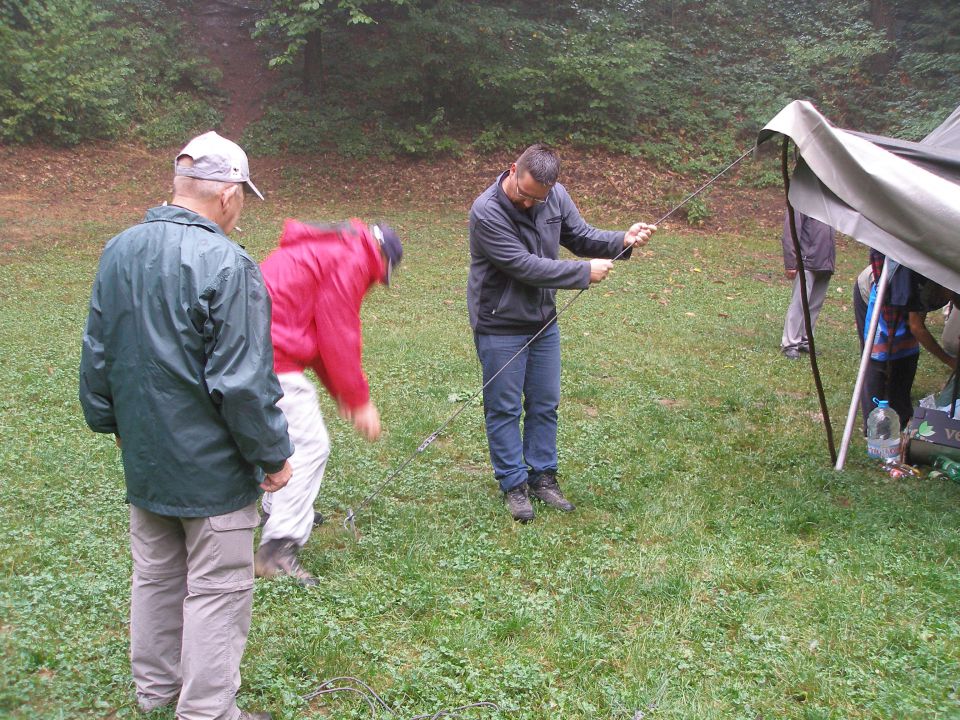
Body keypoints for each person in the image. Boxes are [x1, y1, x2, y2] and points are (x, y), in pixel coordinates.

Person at [79, 131, 293, 720]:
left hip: (146, 454)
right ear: (228, 195)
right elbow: (243, 381)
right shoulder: (230, 263)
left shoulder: (119, 248)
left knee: (155, 575)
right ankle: (206, 710)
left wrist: (109, 421)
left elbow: (97, 349)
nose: (241, 205)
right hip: (212, 470)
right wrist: (273, 455)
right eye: (243, 195)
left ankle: (156, 692)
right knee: (218, 589)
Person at [467, 143, 656, 522]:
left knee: (544, 402)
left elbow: (581, 236)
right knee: (503, 407)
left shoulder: (553, 197)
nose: (528, 204)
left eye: (537, 199)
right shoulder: (486, 212)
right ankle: (513, 484)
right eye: (524, 194)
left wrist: (622, 239)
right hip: (499, 323)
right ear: (512, 170)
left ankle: (543, 477)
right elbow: (525, 266)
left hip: (542, 321)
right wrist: (582, 273)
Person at [254, 218, 402, 585]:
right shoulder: (352, 260)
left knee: (279, 436)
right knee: (310, 445)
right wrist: (359, 400)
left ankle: (277, 507)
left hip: (251, 347)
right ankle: (278, 548)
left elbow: (319, 336)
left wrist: (344, 397)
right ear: (381, 259)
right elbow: (338, 332)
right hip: (270, 354)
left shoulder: (334, 249)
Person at [853, 249, 958, 428]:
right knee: (877, 357)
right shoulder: (927, 284)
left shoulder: (950, 286)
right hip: (876, 292)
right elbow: (917, 327)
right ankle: (874, 423)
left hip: (904, 302)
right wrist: (950, 361)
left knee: (907, 355)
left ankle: (901, 417)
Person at [780, 209, 835, 359]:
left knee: (814, 305)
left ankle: (805, 340)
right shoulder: (801, 201)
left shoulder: (827, 204)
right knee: (799, 303)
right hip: (806, 262)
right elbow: (790, 231)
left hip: (824, 263)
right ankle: (790, 343)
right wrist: (791, 262)